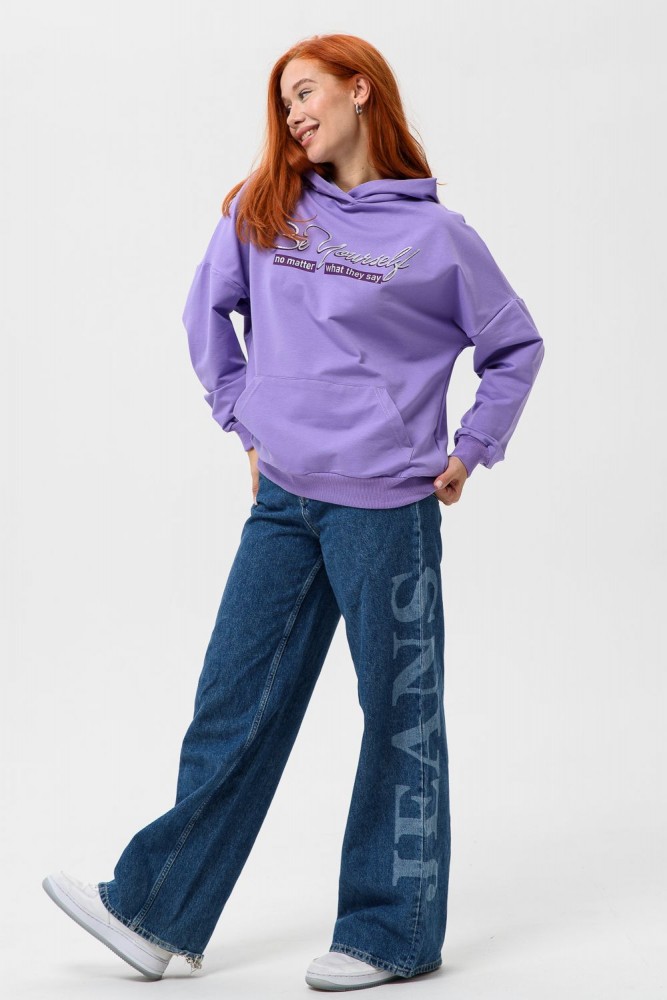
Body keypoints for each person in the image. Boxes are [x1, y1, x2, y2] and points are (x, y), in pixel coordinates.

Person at [42, 32, 545, 991]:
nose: (292, 116)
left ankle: (391, 936)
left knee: (398, 718)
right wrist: (244, 417)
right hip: (283, 500)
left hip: (384, 511)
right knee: (232, 702)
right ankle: (155, 914)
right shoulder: (265, 206)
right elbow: (206, 314)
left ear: (360, 91)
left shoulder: (438, 238)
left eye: (305, 93)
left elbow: (514, 346)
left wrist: (470, 448)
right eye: (282, 103)